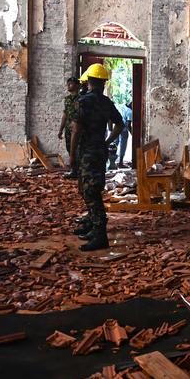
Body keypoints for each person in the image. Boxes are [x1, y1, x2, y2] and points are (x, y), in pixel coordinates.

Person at [70, 63, 123, 252]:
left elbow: (75, 131)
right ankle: (94, 226)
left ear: (89, 82)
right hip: (99, 152)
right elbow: (120, 125)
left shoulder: (83, 101)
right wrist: (107, 141)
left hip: (86, 152)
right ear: (103, 83)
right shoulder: (107, 103)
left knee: (89, 192)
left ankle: (100, 235)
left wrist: (71, 156)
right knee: (91, 190)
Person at [58, 76, 80, 178]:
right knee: (69, 148)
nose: (68, 86)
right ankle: (73, 171)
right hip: (68, 129)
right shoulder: (67, 99)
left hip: (78, 129)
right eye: (68, 84)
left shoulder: (81, 99)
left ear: (76, 85)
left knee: (77, 150)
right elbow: (65, 115)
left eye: (70, 84)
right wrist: (60, 130)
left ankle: (80, 172)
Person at [116, 102, 133, 167]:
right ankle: (120, 162)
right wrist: (132, 133)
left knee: (114, 145)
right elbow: (128, 125)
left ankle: (111, 161)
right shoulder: (130, 112)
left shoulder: (121, 106)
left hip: (116, 128)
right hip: (123, 129)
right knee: (123, 145)